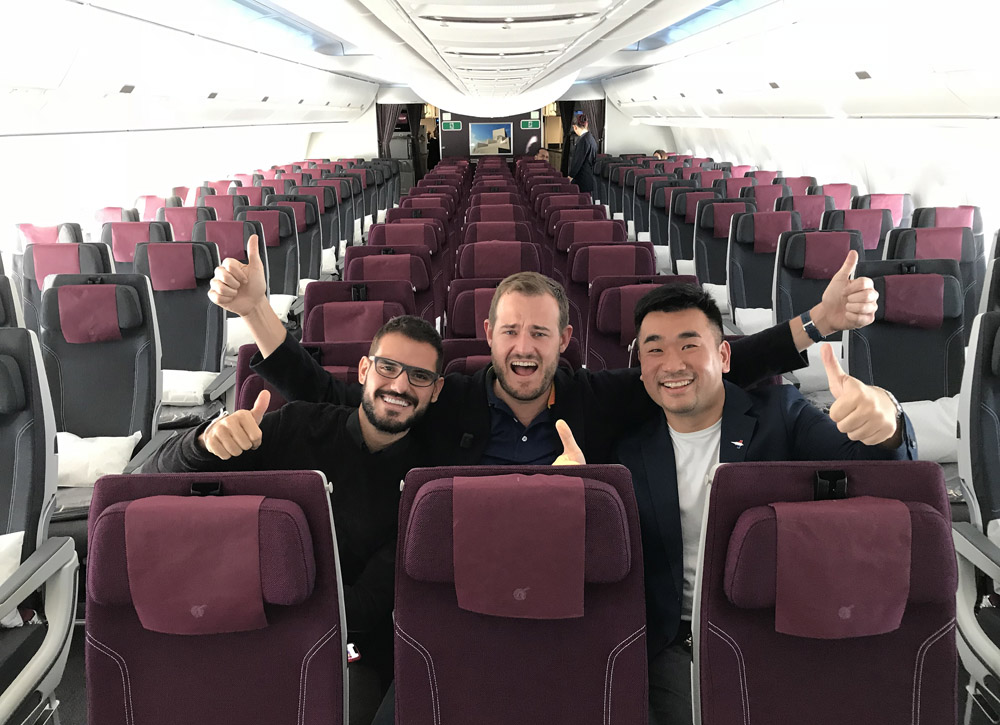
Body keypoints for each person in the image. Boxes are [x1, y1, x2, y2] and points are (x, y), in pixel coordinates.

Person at [214, 237, 878, 469]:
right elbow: (336, 398)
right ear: (490, 335)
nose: (523, 347)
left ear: (565, 341)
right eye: (510, 332)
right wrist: (258, 314)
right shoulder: (453, 398)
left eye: (539, 334)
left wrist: (816, 321)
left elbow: (711, 364)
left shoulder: (600, 396)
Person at [613, 283, 916, 725]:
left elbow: (877, 479)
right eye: (655, 349)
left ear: (725, 356)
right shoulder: (628, 448)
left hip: (779, 630)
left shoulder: (783, 414)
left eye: (689, 344)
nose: (672, 364)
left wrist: (887, 425)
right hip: (679, 644)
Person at [139, 315, 445, 725]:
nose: (399, 384)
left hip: (344, 652)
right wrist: (205, 444)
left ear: (436, 390)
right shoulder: (298, 425)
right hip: (238, 626)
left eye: (419, 376)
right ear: (363, 370)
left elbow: (359, 612)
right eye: (388, 367)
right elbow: (158, 480)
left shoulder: (421, 486)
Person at [567, 114, 598, 194]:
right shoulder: (591, 138)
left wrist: (570, 176)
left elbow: (578, 161)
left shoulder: (582, 141)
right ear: (586, 124)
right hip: (588, 177)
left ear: (575, 127)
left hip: (581, 180)